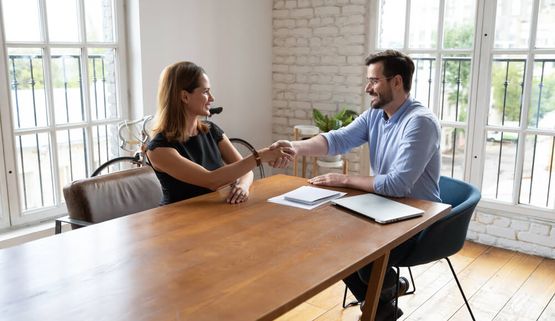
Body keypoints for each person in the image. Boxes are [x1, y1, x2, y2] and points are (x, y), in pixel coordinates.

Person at [271, 50, 441, 320]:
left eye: (374, 81)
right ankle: (384, 300)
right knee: (331, 237)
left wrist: (345, 179)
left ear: (396, 82)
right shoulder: (376, 115)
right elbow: (337, 140)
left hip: (419, 218)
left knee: (355, 249)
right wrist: (293, 147)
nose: (367, 88)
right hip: (386, 205)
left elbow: (397, 184)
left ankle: (384, 292)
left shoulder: (419, 122)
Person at [146, 61, 292, 205]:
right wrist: (259, 157)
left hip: (214, 215)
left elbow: (245, 171)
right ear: (185, 97)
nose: (212, 98)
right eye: (205, 91)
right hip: (175, 222)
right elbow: (211, 180)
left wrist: (243, 187)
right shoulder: (158, 149)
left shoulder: (211, 131)